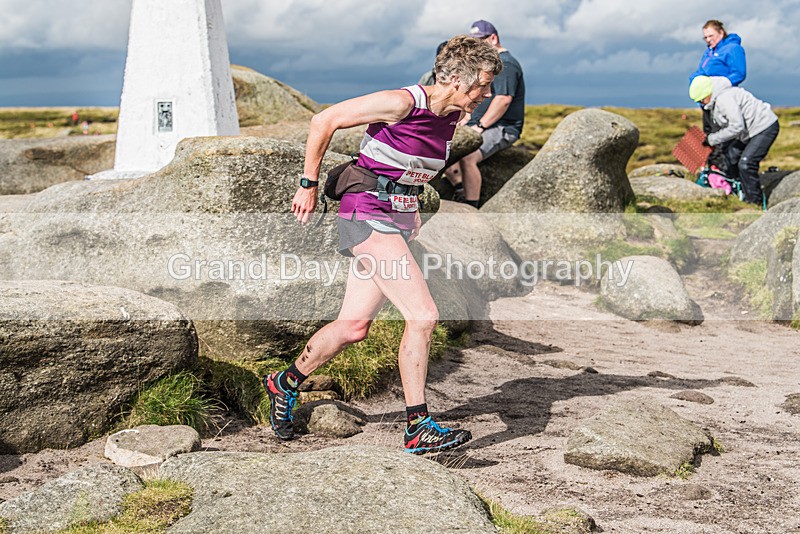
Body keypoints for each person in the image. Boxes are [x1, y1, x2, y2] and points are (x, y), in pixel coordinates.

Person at [264, 35, 503, 454]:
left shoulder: (450, 117)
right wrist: (308, 185)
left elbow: (406, 171)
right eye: (483, 84)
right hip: (365, 215)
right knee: (424, 316)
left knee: (353, 328)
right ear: (458, 79)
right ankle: (417, 427)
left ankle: (283, 382)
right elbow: (324, 120)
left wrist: (409, 211)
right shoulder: (402, 102)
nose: (487, 94)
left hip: (391, 218)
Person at [444, 20, 525, 207]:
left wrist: (480, 127)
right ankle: (459, 189)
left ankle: (472, 206)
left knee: (467, 157)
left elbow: (503, 99)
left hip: (503, 127)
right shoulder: (488, 65)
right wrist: (466, 119)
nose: (477, 46)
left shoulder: (506, 64)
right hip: (479, 123)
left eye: (481, 40)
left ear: (493, 38)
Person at [689, 76, 779, 206]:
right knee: (731, 158)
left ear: (708, 93)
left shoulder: (725, 99)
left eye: (702, 100)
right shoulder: (714, 101)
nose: (701, 104)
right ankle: (739, 192)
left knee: (746, 164)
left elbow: (737, 126)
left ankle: (754, 203)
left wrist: (711, 139)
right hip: (746, 133)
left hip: (764, 127)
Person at [689, 20, 746, 135]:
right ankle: (711, 152)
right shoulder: (709, 52)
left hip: (721, 99)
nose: (708, 40)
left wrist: (718, 85)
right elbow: (702, 71)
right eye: (705, 37)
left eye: (711, 36)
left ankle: (721, 153)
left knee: (719, 133)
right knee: (708, 133)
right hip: (706, 99)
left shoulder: (733, 48)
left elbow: (739, 73)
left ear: (721, 33)